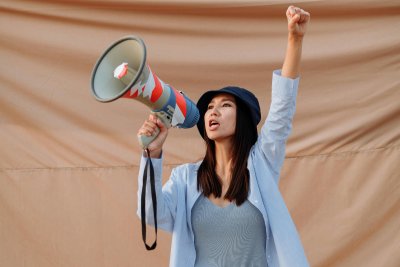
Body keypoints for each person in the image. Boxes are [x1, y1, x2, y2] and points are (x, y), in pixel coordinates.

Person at [137, 5, 311, 267]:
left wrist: (294, 39)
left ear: (243, 120)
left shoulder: (262, 164)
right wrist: (152, 154)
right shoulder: (185, 178)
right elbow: (150, 214)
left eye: (225, 105)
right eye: (209, 107)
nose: (213, 111)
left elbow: (282, 109)